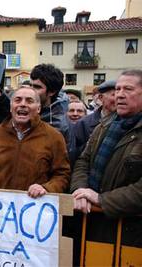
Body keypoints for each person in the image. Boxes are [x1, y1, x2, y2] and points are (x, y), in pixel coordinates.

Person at [71, 69, 142, 248]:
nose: (119, 95)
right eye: (117, 90)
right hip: (91, 224)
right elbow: (83, 161)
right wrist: (81, 191)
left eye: (128, 89)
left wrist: (101, 199)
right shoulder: (104, 125)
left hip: (129, 235)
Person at [0, 86, 70, 197]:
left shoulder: (53, 137)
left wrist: (47, 188)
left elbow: (62, 174)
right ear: (11, 106)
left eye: (29, 101)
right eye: (17, 100)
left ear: (38, 108)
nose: (22, 104)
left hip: (34, 207)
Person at [68, 80, 117, 166]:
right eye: (114, 95)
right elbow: (75, 155)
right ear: (101, 98)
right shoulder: (83, 124)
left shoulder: (125, 122)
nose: (118, 98)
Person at [30, 64, 69, 139]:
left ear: (52, 92)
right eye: (30, 85)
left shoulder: (58, 125)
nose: (31, 90)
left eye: (37, 87)